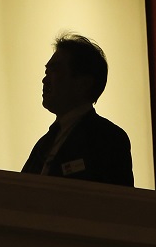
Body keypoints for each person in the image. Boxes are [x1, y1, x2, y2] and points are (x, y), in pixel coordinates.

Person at [21, 32, 134, 186]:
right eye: (46, 72)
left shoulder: (108, 139)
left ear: (84, 83)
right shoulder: (43, 144)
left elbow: (116, 198)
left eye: (55, 71)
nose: (44, 80)